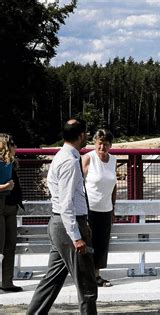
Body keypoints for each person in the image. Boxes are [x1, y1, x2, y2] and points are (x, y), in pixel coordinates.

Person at [27, 119, 97, 315]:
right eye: (86, 134)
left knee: (51, 281)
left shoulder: (61, 156)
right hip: (68, 226)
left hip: (61, 224)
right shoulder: (70, 162)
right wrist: (76, 235)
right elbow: (67, 203)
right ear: (81, 135)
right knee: (87, 286)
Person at [82, 129, 117, 287]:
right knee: (87, 243)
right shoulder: (88, 158)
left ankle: (96, 276)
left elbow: (114, 185)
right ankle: (85, 277)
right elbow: (78, 184)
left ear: (110, 145)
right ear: (95, 143)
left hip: (106, 208)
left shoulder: (113, 160)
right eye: (100, 143)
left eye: (106, 144)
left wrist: (113, 207)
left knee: (102, 244)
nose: (102, 147)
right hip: (89, 208)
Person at [0, 134, 23, 292]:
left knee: (10, 245)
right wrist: (5, 186)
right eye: (13, 143)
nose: (16, 147)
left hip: (11, 206)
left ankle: (7, 282)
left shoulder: (11, 163)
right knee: (0, 246)